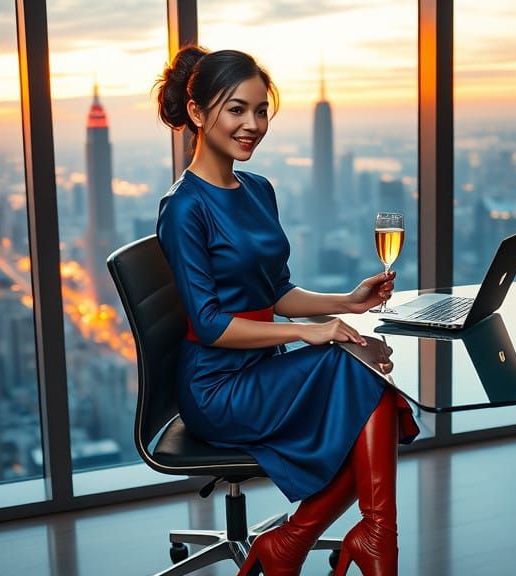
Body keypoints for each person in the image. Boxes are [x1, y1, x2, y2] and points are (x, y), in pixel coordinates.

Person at [154, 45, 419, 576]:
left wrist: (346, 301)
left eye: (260, 110)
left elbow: (274, 291)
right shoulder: (183, 207)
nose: (252, 124)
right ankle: (367, 542)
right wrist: (308, 333)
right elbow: (208, 324)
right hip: (219, 387)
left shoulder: (258, 189)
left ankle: (320, 539)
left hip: (264, 370)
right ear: (198, 114)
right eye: (236, 109)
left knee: (372, 380)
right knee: (360, 370)